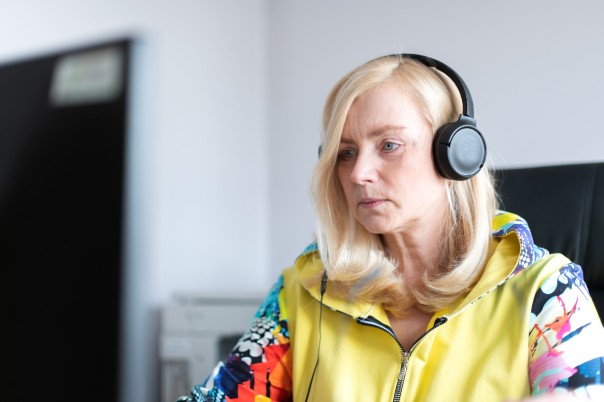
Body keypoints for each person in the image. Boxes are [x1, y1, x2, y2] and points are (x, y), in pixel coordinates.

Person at [177, 54, 604, 401]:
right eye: (346, 153)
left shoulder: (547, 293)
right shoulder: (303, 291)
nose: (359, 173)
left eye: (389, 145)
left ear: (456, 154)